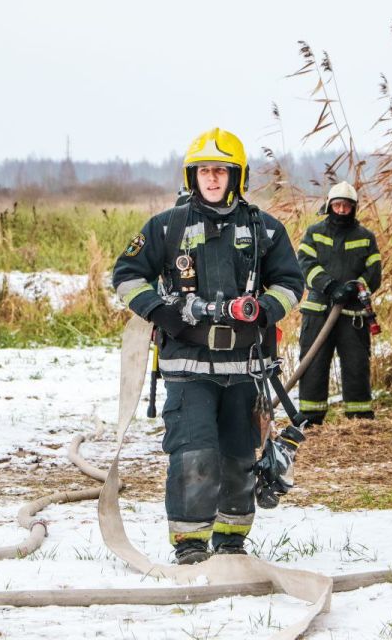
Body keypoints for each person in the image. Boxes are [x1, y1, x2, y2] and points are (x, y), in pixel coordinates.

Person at [112, 128, 304, 564]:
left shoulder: (264, 231)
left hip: (245, 368)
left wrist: (263, 309)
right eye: (204, 171)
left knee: (239, 457)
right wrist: (158, 311)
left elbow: (293, 283)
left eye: (220, 171)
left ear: (236, 177)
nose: (212, 179)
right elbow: (125, 275)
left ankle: (232, 541)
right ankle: (191, 545)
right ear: (191, 175)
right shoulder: (166, 227)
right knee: (194, 454)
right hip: (187, 365)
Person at [296, 181, 382, 424]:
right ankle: (310, 418)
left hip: (353, 314)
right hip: (319, 312)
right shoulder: (314, 233)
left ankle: (360, 417)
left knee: (356, 364)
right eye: (337, 205)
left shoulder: (365, 237)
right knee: (313, 363)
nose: (342, 210)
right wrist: (331, 286)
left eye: (346, 206)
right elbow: (304, 264)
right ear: (328, 205)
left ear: (354, 208)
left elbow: (374, 271)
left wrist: (356, 287)